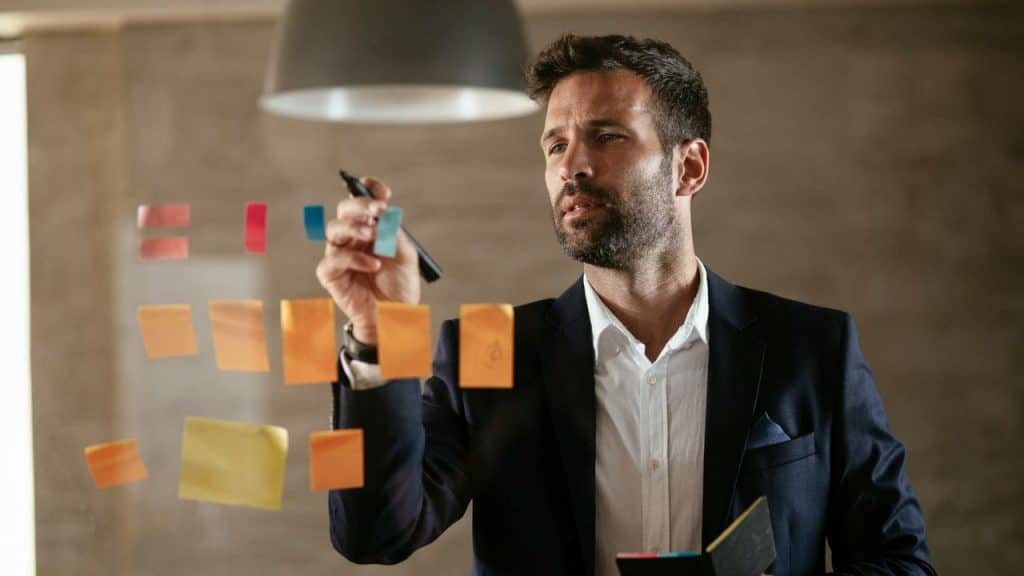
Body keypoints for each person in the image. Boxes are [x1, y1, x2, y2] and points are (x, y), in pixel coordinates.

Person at [315, 34, 936, 576]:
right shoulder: (487, 348)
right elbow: (371, 536)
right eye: (555, 145)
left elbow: (901, 560)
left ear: (688, 168)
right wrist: (379, 334)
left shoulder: (814, 347)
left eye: (606, 136)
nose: (572, 166)